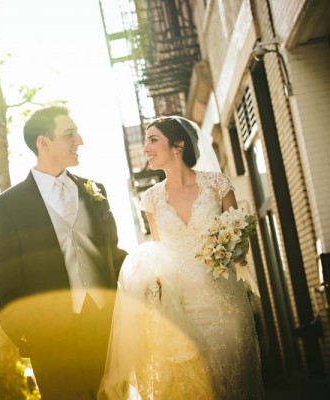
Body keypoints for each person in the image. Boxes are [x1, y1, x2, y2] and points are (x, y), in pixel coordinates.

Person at [99, 116, 264, 399]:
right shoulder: (152, 199)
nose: (146, 148)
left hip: (224, 302)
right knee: (198, 386)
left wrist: (229, 249)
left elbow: (241, 240)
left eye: (153, 140)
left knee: (235, 382)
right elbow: (158, 253)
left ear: (178, 145)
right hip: (183, 307)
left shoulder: (217, 185)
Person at [0, 105, 127, 399]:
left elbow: (112, 254)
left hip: (108, 331)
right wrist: (30, 338)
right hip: (52, 342)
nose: (80, 140)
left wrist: (151, 271)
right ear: (44, 142)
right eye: (69, 134)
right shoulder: (8, 206)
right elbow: (4, 282)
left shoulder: (95, 191)